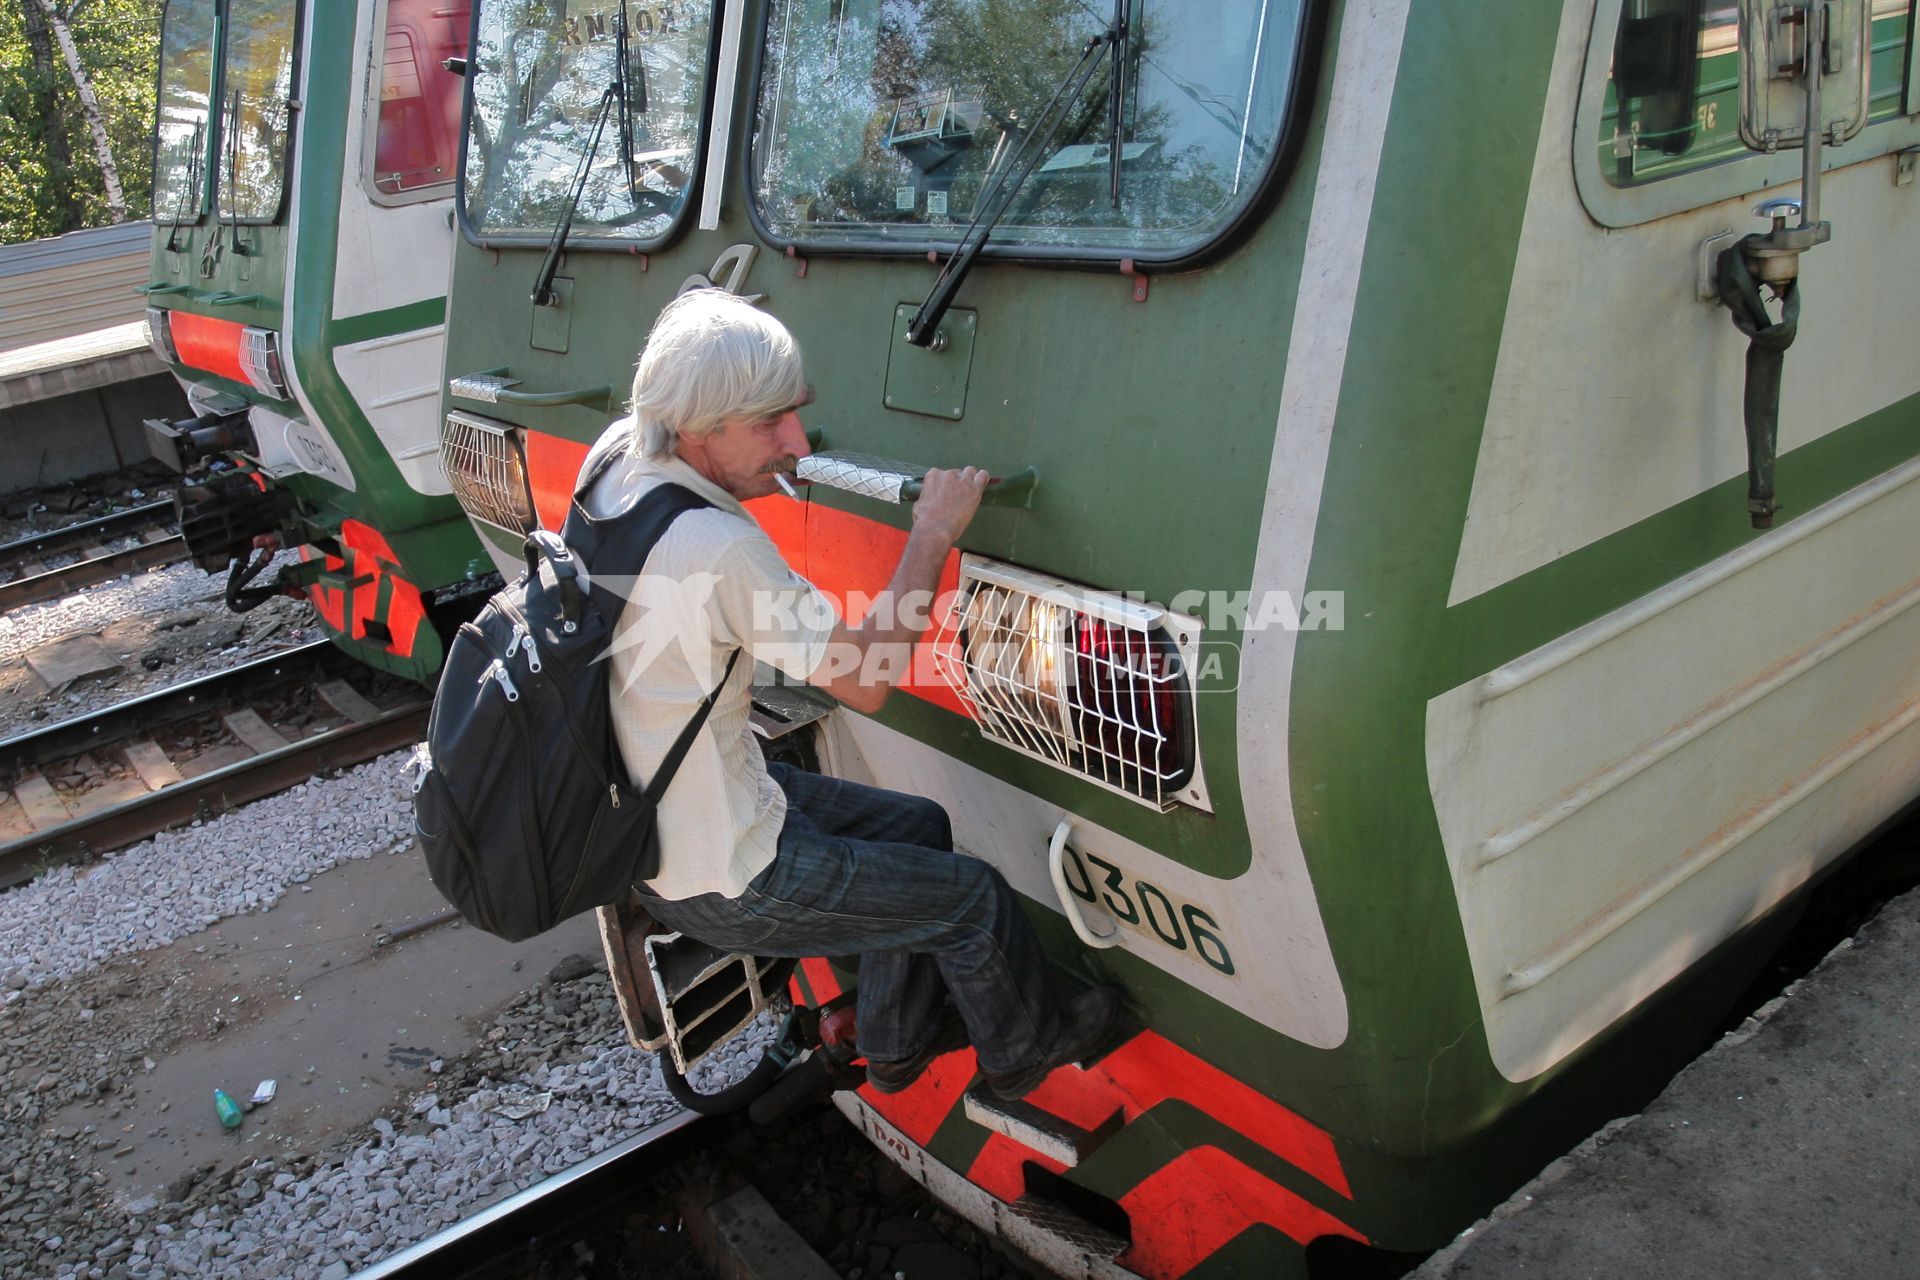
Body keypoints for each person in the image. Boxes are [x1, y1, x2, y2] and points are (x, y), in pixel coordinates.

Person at [577, 288, 1118, 1100]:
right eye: (769, 424)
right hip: (727, 873)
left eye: (796, 413)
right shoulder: (716, 545)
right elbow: (865, 683)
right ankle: (1023, 1049)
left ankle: (894, 1041)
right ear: (697, 428)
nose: (795, 442)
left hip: (651, 822)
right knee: (973, 902)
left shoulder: (616, 460)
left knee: (921, 827)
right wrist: (932, 533)